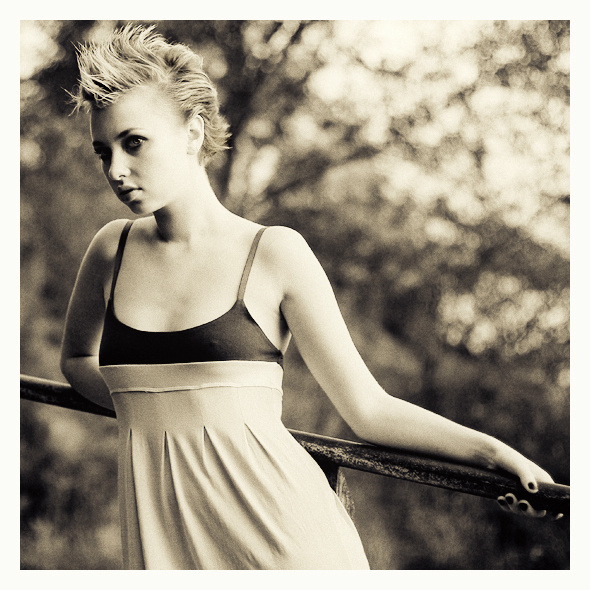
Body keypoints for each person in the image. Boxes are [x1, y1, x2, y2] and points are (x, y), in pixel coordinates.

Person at [60, 24, 558, 570]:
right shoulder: (111, 249)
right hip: (164, 547)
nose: (116, 169)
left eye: (134, 143)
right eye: (103, 152)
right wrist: (153, 411)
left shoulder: (273, 253)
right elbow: (77, 360)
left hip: (285, 543)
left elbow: (368, 411)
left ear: (193, 132)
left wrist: (493, 452)